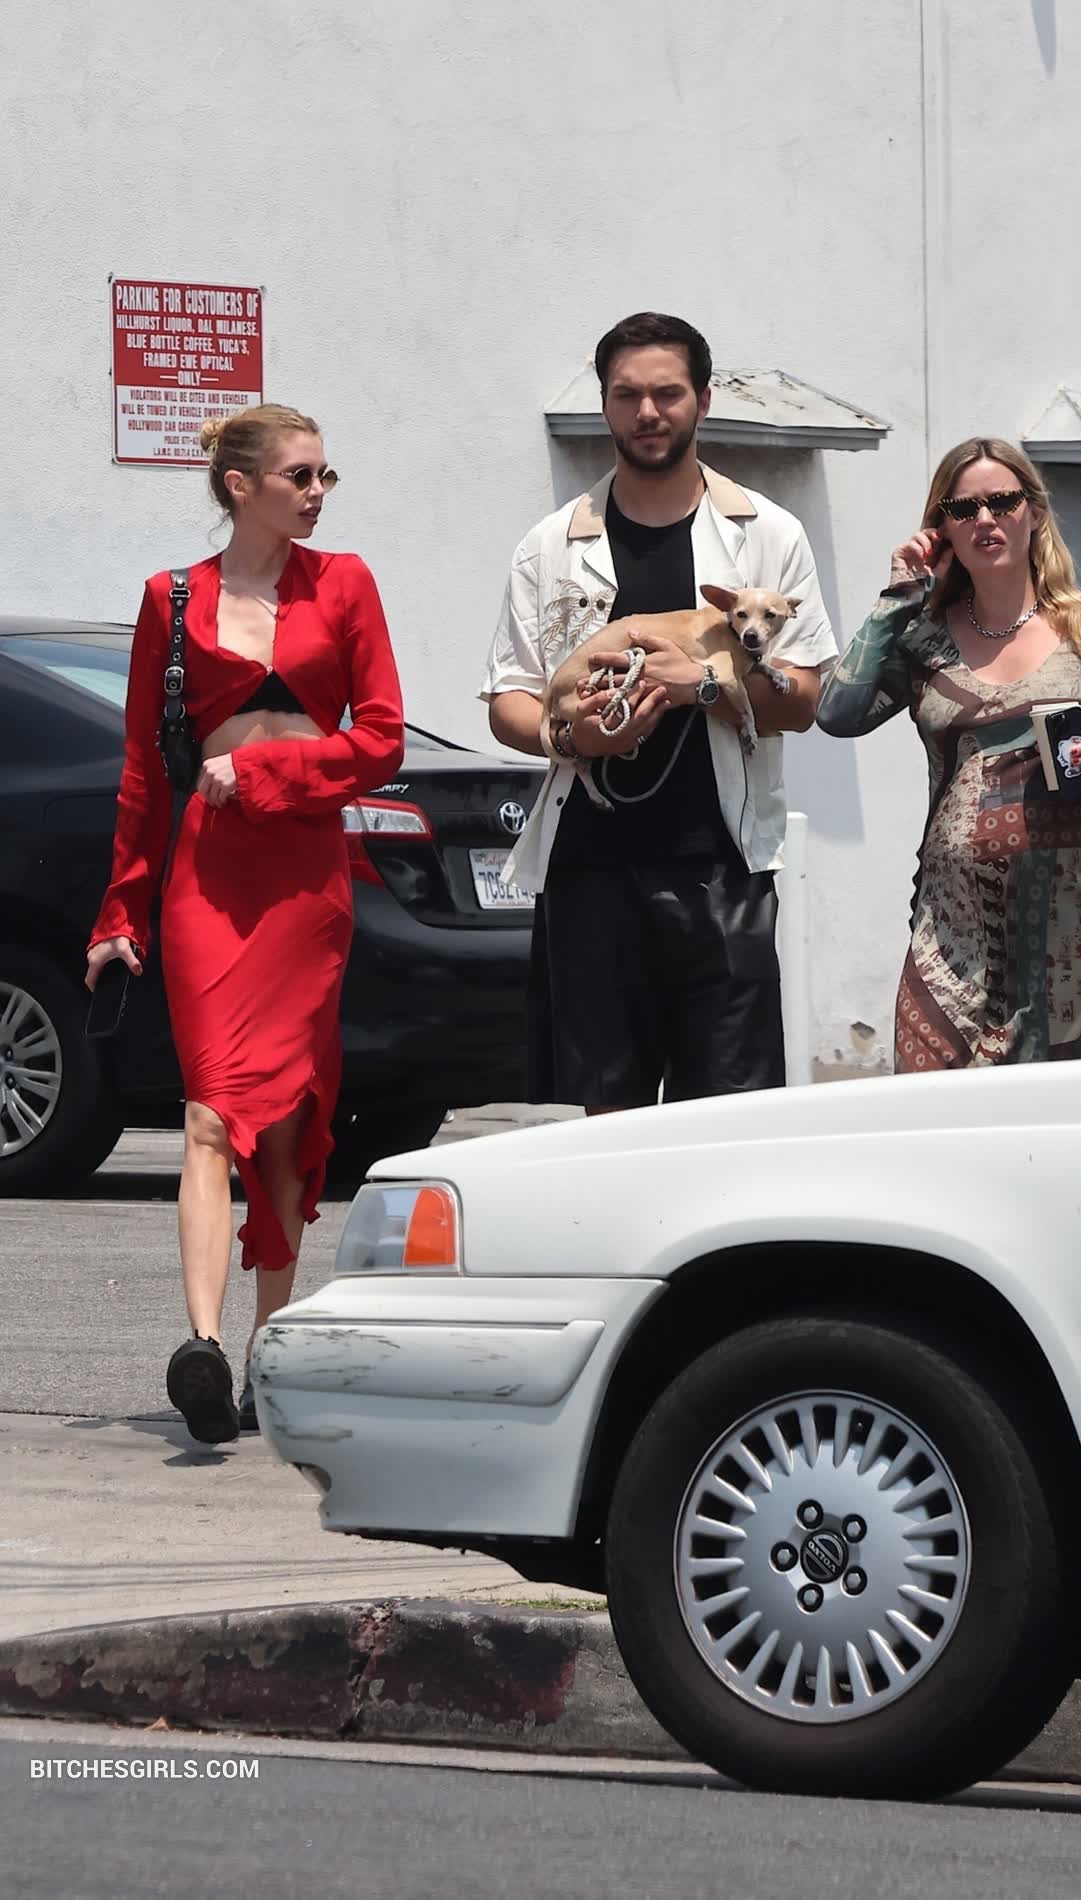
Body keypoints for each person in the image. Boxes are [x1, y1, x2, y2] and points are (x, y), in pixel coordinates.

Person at [86, 403, 404, 1444]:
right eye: (300, 476)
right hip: (209, 881)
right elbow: (144, 771)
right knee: (211, 1112)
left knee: (291, 1119)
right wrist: (119, 912)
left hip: (305, 878)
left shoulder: (345, 583)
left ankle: (269, 1354)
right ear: (240, 486)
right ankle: (205, 1348)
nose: (317, 493)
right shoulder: (171, 599)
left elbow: (382, 741)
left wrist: (265, 769)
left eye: (325, 475)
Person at [483, 311, 837, 1110]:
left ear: (703, 401)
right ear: (604, 404)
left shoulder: (768, 537)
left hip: (723, 869)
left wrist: (703, 687)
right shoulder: (550, 545)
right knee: (598, 1124)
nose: (648, 412)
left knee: (728, 1119)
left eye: (668, 393)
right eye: (627, 394)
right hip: (588, 872)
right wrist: (573, 735)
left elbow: (805, 701)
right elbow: (509, 701)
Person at [817, 436, 1081, 1070]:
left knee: (1064, 1114)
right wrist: (897, 598)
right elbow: (836, 714)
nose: (985, 519)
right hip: (951, 929)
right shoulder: (922, 638)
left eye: (1002, 502)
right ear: (941, 529)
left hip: (1077, 930)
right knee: (931, 1105)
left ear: (1034, 512)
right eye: (963, 508)